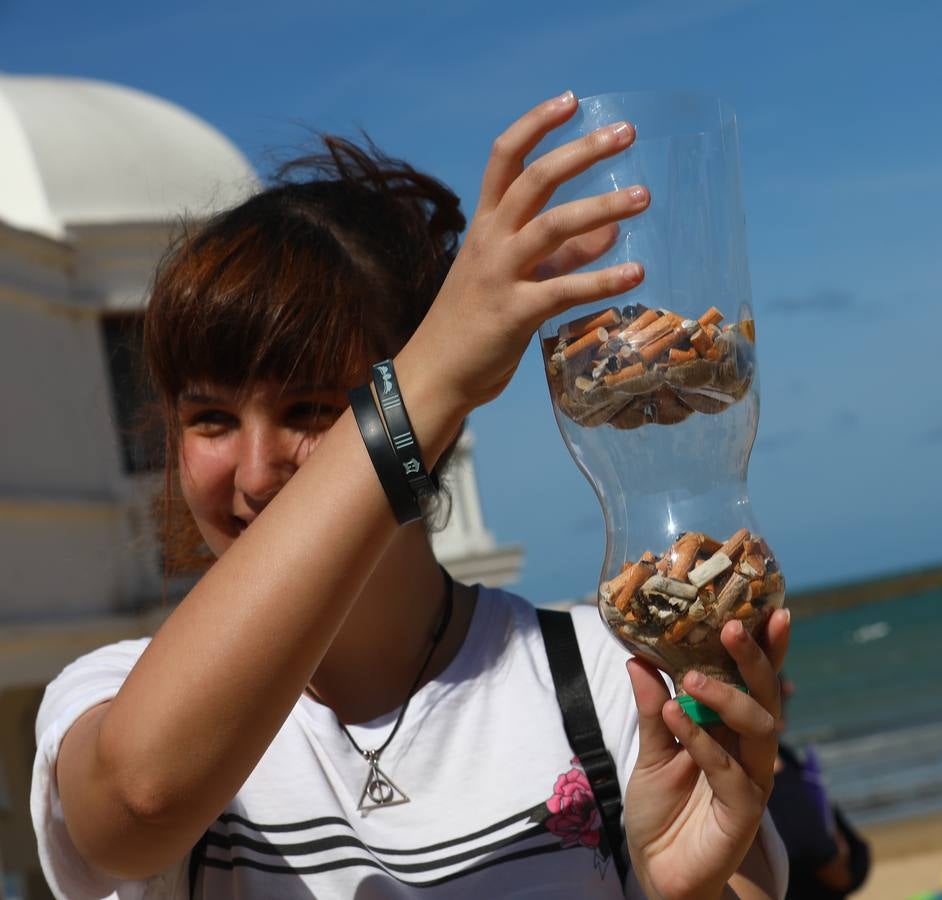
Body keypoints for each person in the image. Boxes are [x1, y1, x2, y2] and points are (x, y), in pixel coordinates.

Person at [30, 92, 790, 899]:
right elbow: (138, 803)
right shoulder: (113, 694)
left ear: (435, 432)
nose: (255, 474)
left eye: (312, 410)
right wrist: (431, 378)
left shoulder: (610, 683)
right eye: (210, 419)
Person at [766, 677, 870, 900]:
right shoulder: (776, 780)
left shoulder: (781, 757)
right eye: (776, 675)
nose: (790, 688)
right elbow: (834, 870)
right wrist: (841, 857)